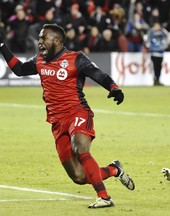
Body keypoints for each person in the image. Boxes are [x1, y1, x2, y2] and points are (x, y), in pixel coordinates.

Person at [0, 23, 135, 208]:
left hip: (77, 112)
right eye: (39, 38)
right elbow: (20, 70)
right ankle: (114, 170)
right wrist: (2, 46)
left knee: (80, 148)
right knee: (79, 176)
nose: (40, 42)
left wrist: (114, 88)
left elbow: (99, 74)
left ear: (56, 40)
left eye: (43, 38)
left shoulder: (75, 59)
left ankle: (104, 197)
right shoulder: (40, 60)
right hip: (56, 122)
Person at [143, 20, 170, 86]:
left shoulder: (163, 31)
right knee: (154, 67)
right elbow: (146, 39)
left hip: (160, 53)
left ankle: (158, 79)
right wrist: (148, 46)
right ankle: (155, 79)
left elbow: (168, 37)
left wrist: (166, 45)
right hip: (153, 53)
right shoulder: (151, 32)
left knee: (159, 67)